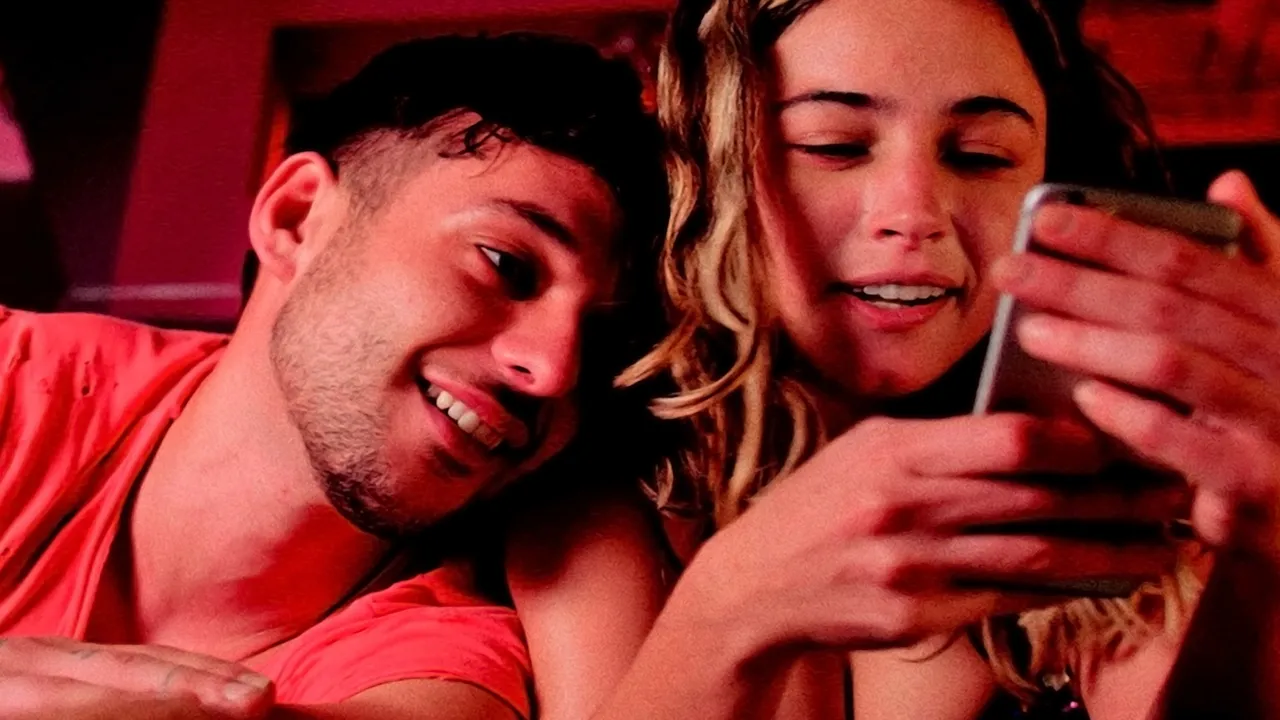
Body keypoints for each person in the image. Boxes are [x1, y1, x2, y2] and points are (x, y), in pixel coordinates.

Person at [505, 0, 1280, 717]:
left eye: (980, 156)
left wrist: (1263, 563)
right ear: (708, 173)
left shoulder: (1112, 489)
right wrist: (731, 609)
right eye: (834, 146)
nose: (915, 214)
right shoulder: (600, 515)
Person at [0, 33, 665, 720]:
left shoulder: (440, 655)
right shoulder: (20, 379)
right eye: (506, 264)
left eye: (600, 341)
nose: (555, 370)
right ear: (296, 218)